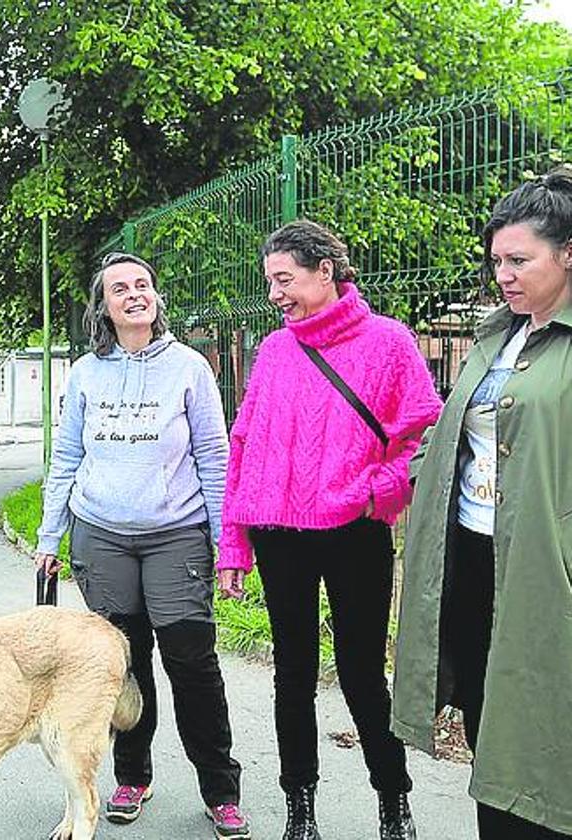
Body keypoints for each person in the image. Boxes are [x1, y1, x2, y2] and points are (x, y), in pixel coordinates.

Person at [217, 220, 442, 840]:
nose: (275, 294)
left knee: (363, 674)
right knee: (292, 673)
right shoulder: (274, 350)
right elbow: (245, 448)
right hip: (280, 533)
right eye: (270, 282)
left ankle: (393, 803)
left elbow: (424, 435)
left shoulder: (389, 343)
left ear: (326, 272)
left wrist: (375, 491)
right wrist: (234, 545)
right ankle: (300, 809)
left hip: (355, 531)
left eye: (284, 279)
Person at [35, 252, 251, 840]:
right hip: (101, 535)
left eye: (143, 285)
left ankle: (220, 789)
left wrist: (228, 542)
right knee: (120, 662)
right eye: (120, 289)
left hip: (175, 534)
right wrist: (49, 535)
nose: (135, 294)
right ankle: (132, 774)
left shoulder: (189, 368)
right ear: (103, 307)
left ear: (156, 298)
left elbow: (214, 455)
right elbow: (67, 458)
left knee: (192, 660)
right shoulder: (85, 374)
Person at [391, 168, 572, 839]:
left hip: (542, 571)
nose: (504, 274)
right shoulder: (499, 334)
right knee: (488, 724)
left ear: (569, 253)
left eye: (519, 260)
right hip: (471, 560)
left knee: (541, 734)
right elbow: (452, 432)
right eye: (497, 260)